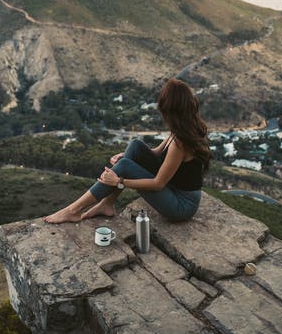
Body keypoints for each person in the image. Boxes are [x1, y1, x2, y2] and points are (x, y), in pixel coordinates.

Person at [43, 78, 210, 224]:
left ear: (172, 111)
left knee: (124, 167)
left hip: (181, 206)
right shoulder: (182, 128)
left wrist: (119, 181)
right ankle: (106, 204)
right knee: (136, 146)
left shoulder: (181, 142)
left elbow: (158, 184)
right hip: (174, 188)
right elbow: (156, 154)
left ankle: (73, 211)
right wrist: (128, 156)